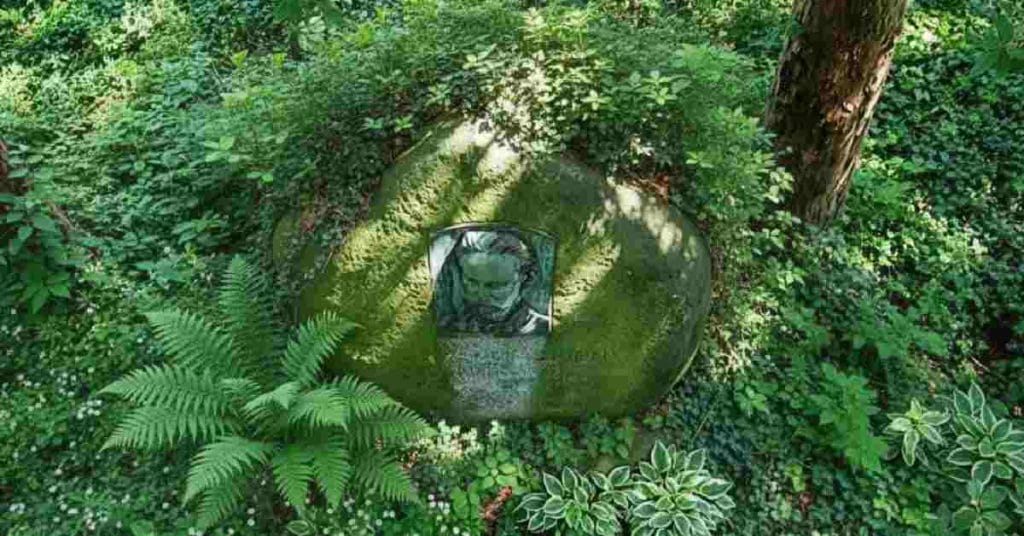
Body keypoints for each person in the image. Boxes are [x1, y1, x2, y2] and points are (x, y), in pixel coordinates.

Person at [433, 229, 550, 335]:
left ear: (525, 278)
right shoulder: (446, 327)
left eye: (495, 286)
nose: (481, 295)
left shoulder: (542, 329)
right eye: (471, 282)